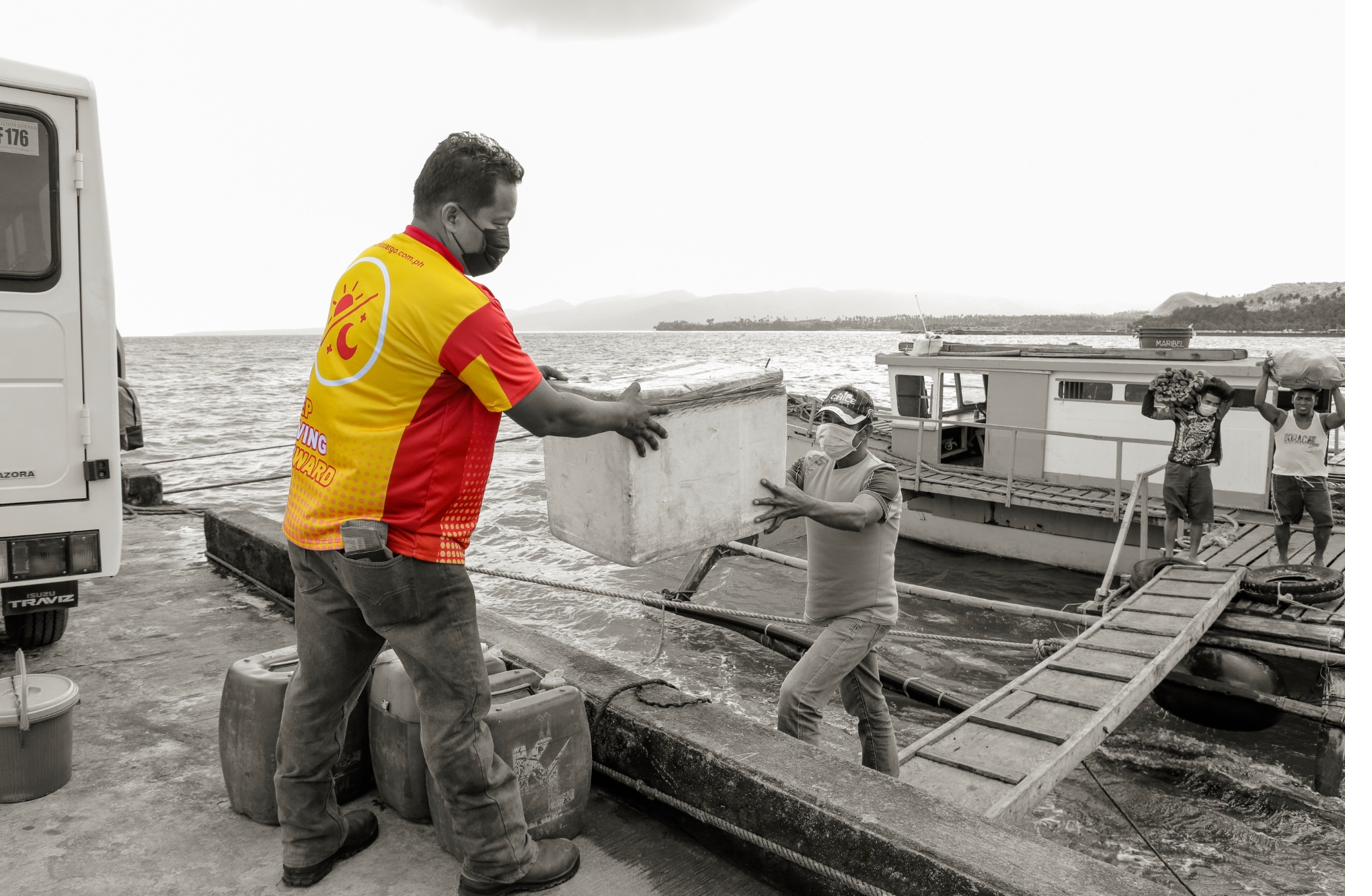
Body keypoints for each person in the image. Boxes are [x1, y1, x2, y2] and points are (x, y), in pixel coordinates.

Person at [275, 132, 669, 895]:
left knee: (317, 694)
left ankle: (308, 838)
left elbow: (410, 373)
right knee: (455, 708)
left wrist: (517, 373)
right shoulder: (458, 299)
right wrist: (619, 415)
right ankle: (499, 861)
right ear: (454, 215)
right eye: (497, 222)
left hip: (317, 521)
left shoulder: (372, 267)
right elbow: (548, 415)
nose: (504, 238)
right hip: (400, 547)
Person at [751, 385, 901, 776]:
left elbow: (858, 516)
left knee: (797, 697)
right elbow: (773, 493)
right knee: (868, 708)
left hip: (866, 612)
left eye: (841, 423)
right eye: (826, 419)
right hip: (834, 611)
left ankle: (803, 795)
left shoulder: (882, 476)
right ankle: (887, 790)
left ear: (865, 432)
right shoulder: (809, 466)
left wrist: (804, 505)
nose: (828, 429)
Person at [1253, 358, 1344, 566]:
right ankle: (1283, 558)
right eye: (1300, 398)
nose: (1303, 403)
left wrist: (1336, 387)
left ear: (1315, 401)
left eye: (1308, 399)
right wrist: (1265, 374)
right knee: (1282, 520)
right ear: (1293, 399)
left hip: (1315, 477)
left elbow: (1344, 415)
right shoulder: (1282, 418)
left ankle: (1318, 558)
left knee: (1324, 521)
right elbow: (1258, 403)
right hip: (1284, 477)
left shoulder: (1323, 420)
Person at [1141, 375, 1234, 561]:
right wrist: (1151, 391)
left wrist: (1203, 379)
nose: (1211, 406)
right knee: (1172, 512)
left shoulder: (1218, 415)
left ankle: (1193, 556)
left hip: (1202, 469)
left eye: (1215, 403)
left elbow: (1231, 394)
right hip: (1177, 467)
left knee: (1199, 516)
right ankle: (1168, 554)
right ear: (1199, 398)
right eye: (1208, 401)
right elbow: (1148, 412)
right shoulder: (1180, 412)